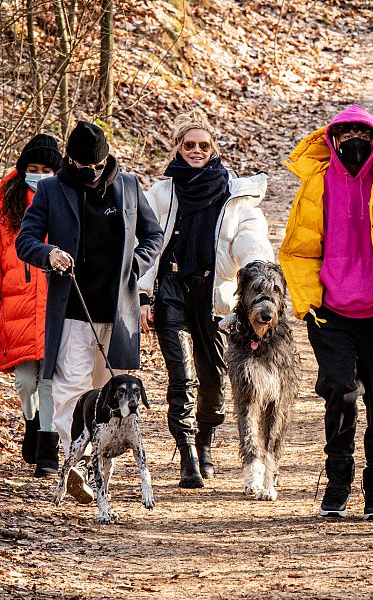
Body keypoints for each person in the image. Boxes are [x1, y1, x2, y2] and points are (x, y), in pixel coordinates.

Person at [279, 104, 373, 520]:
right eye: (344, 136)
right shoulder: (316, 189)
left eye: (361, 135)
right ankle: (338, 481)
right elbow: (299, 250)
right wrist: (309, 303)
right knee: (340, 395)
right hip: (333, 316)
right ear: (332, 140)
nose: (353, 143)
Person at [15, 121, 163, 502]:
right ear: (70, 161)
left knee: (107, 394)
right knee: (70, 391)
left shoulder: (128, 186)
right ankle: (77, 464)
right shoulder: (51, 190)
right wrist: (48, 253)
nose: (93, 173)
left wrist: (136, 263)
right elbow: (25, 241)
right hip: (72, 310)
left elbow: (154, 236)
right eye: (84, 167)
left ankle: (100, 470)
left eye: (98, 166)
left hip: (119, 313)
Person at [138, 108, 274, 489]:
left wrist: (257, 266)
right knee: (181, 375)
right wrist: (144, 294)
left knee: (213, 377)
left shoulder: (234, 193)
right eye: (188, 144)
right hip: (171, 291)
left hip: (216, 295)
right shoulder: (162, 192)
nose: (196, 150)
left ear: (213, 148)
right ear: (177, 148)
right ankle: (187, 456)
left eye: (203, 145)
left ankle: (206, 441)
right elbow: (146, 244)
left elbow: (248, 237)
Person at [0, 134, 62, 477]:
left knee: (50, 381)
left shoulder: (65, 203)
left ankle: (49, 450)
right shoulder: (6, 213)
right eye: (33, 169)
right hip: (16, 313)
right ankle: (32, 422)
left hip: (55, 309)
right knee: (25, 382)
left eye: (47, 169)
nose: (39, 174)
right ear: (23, 171)